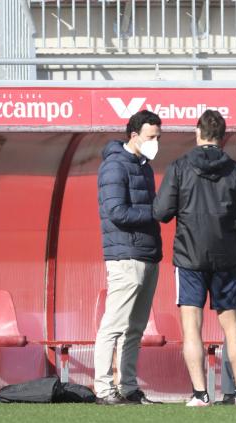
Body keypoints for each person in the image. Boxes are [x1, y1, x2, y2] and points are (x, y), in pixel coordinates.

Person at [153, 110, 236, 407]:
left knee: (191, 327)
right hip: (227, 257)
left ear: (198, 132)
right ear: (223, 137)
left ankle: (200, 394)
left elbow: (161, 212)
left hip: (189, 257)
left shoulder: (179, 167)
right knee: (233, 326)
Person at [95, 109, 163, 405]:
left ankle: (128, 388)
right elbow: (116, 211)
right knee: (114, 325)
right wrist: (155, 212)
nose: (155, 142)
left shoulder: (144, 166)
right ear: (134, 135)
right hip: (125, 255)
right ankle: (104, 389)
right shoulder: (114, 166)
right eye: (151, 137)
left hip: (147, 254)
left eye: (158, 137)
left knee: (135, 327)